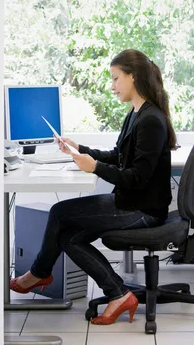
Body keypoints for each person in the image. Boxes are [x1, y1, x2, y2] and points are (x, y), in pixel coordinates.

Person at [10, 49, 177, 325]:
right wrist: (80, 150)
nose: (112, 86)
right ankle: (119, 294)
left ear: (132, 77)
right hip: (132, 202)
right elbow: (118, 156)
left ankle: (39, 273)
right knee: (67, 236)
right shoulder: (137, 114)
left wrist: (95, 167)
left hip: (143, 209)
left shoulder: (151, 120)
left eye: (115, 79)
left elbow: (137, 178)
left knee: (59, 213)